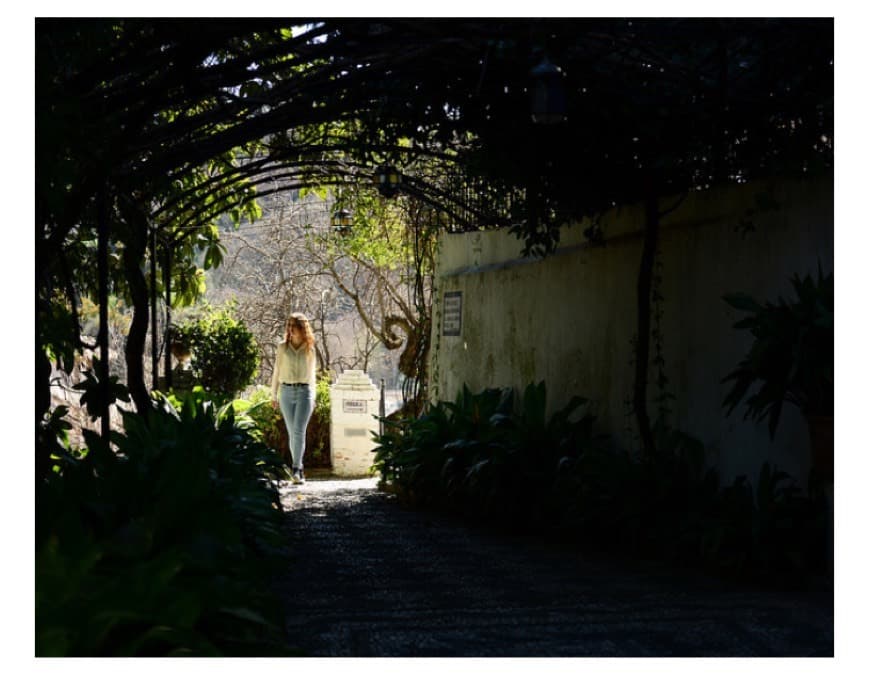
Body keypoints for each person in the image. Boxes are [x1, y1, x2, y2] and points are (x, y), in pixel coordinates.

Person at [271, 312, 317, 484]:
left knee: (298, 430)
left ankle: (296, 469)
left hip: (305, 393)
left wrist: (314, 397)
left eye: (294, 326)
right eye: (288, 326)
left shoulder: (310, 349)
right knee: (293, 433)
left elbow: (313, 376)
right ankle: (299, 468)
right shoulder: (282, 348)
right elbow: (276, 371)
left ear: (302, 328)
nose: (290, 329)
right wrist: (273, 395)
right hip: (286, 392)